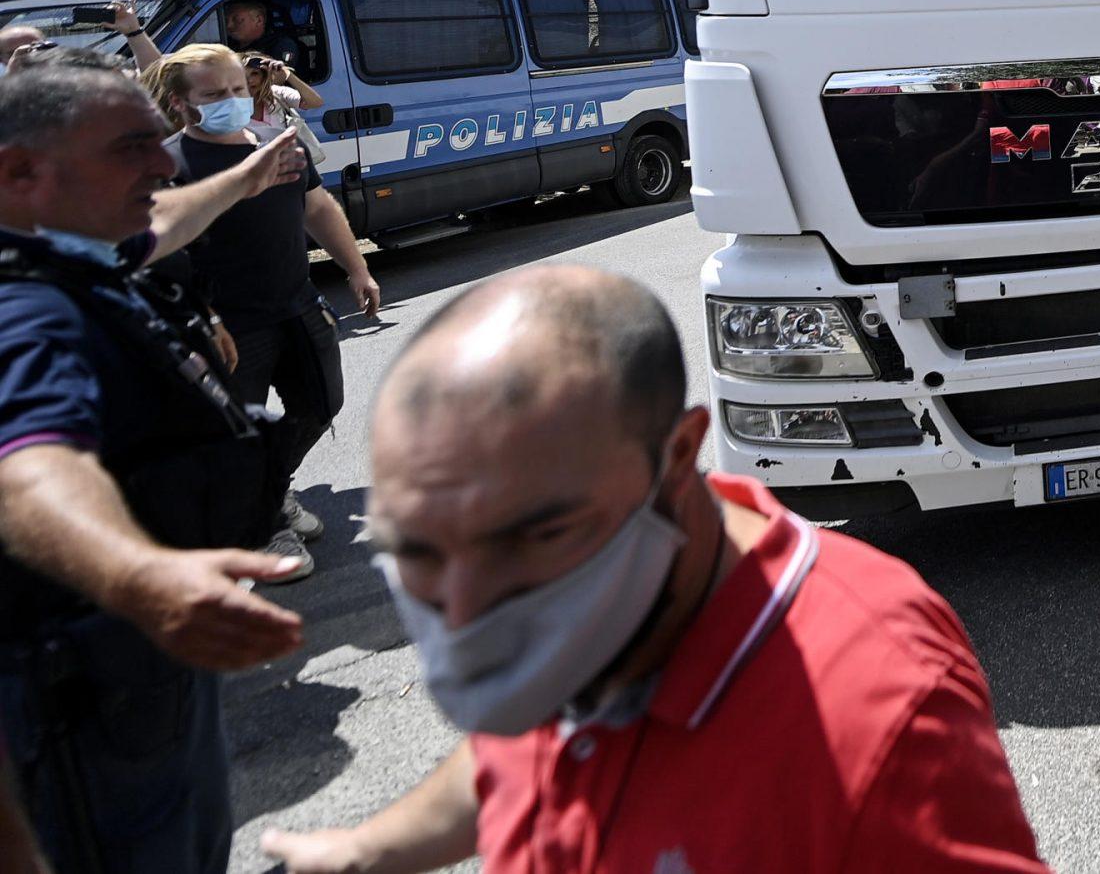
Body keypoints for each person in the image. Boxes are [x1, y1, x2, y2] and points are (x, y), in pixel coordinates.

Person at [260, 264, 1047, 874]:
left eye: (534, 535)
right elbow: (520, 751)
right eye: (418, 549)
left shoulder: (876, 719)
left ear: (676, 459)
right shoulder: (576, 627)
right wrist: (367, 850)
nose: (466, 616)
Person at [0, 54, 311, 874]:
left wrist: (244, 176)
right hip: (85, 697)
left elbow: (166, 218)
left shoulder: (68, 243)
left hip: (144, 669)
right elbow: (27, 469)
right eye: (132, 145)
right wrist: (140, 577)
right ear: (22, 171)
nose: (167, 160)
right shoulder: (22, 311)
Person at [142, 46, 379, 582]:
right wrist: (202, 319)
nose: (231, 101)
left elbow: (316, 208)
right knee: (240, 431)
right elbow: (160, 252)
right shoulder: (169, 165)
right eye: (214, 95)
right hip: (225, 325)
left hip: (298, 306)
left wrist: (356, 268)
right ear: (181, 104)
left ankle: (270, 488)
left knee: (321, 404)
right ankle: (262, 521)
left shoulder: (278, 143)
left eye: (236, 90)